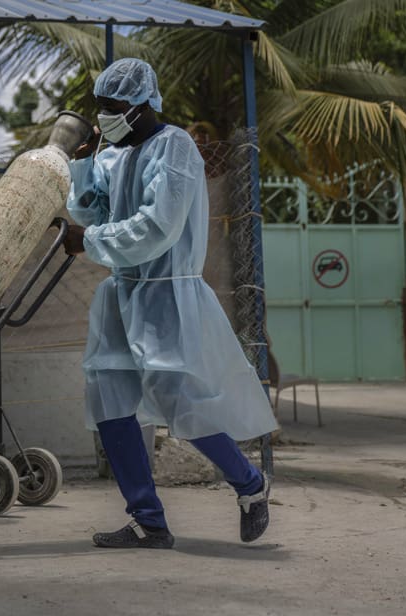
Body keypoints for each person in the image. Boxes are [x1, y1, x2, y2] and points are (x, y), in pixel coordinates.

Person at [63, 58, 279, 549]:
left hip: (167, 293)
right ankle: (148, 520)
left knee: (179, 401)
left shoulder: (176, 147)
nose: (105, 117)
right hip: (122, 293)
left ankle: (250, 484)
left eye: (113, 107)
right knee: (108, 398)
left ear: (141, 106)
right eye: (101, 108)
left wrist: (90, 240)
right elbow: (90, 211)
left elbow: (158, 227)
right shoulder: (112, 155)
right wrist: (82, 167)